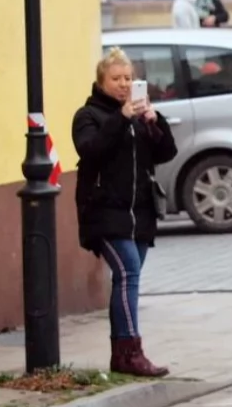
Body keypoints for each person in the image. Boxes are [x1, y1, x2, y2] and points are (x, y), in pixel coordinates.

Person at [72, 47, 177, 378]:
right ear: (101, 81)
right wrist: (121, 118)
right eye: (116, 79)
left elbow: (166, 153)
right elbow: (91, 150)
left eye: (128, 78)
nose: (123, 84)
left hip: (140, 213)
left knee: (126, 279)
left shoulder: (138, 116)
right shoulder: (88, 116)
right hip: (104, 212)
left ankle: (121, 354)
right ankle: (131, 352)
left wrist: (155, 121)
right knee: (128, 272)